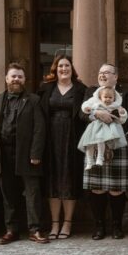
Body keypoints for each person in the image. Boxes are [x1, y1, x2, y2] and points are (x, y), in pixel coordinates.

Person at [0, 62, 47, 245]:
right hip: (2, 153)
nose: (16, 79)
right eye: (13, 76)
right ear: (6, 79)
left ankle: (35, 229)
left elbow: (40, 129)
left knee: (32, 192)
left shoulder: (34, 100)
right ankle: (12, 230)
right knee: (8, 194)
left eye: (20, 76)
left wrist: (36, 153)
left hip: (27, 154)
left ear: (24, 80)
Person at [81, 63, 128, 240]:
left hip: (116, 142)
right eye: (100, 73)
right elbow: (81, 114)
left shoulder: (125, 92)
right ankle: (99, 226)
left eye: (107, 72)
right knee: (96, 187)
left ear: (116, 76)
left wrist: (113, 122)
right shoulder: (91, 92)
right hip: (95, 141)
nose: (103, 75)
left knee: (117, 188)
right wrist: (97, 115)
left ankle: (117, 226)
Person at [37, 54, 87, 240]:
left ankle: (67, 223)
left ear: (72, 69)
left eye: (66, 66)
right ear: (55, 69)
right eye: (60, 66)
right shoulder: (46, 88)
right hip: (50, 139)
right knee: (52, 179)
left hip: (73, 138)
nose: (63, 69)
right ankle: (54, 223)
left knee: (70, 178)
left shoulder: (81, 89)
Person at [78, 86, 128, 170]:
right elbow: (85, 105)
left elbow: (122, 120)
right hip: (94, 127)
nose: (108, 99)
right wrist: (88, 109)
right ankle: (89, 162)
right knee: (88, 144)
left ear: (114, 98)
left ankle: (100, 158)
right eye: (105, 97)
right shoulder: (96, 103)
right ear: (100, 97)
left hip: (106, 127)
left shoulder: (115, 106)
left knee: (100, 140)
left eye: (110, 97)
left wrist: (123, 113)